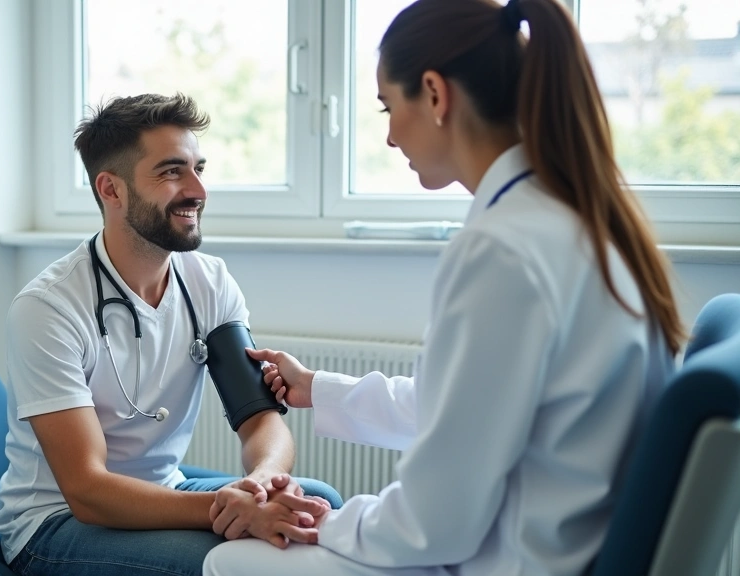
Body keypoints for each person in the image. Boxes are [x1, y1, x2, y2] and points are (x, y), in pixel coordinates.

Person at [203, 0, 684, 574]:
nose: (387, 138)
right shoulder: (577, 219)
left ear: (434, 93)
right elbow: (466, 406)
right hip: (561, 546)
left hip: (514, 562)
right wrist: (317, 389)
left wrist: (324, 522)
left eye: (388, 107)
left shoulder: (502, 249)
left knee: (235, 560)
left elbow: (435, 524)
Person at [0, 92, 342, 576]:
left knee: (317, 503)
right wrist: (233, 506)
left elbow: (261, 419)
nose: (198, 189)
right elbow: (88, 490)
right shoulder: (48, 308)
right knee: (249, 561)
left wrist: (261, 484)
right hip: (56, 523)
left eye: (199, 168)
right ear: (111, 190)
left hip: (165, 491)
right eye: (172, 172)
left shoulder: (209, 280)